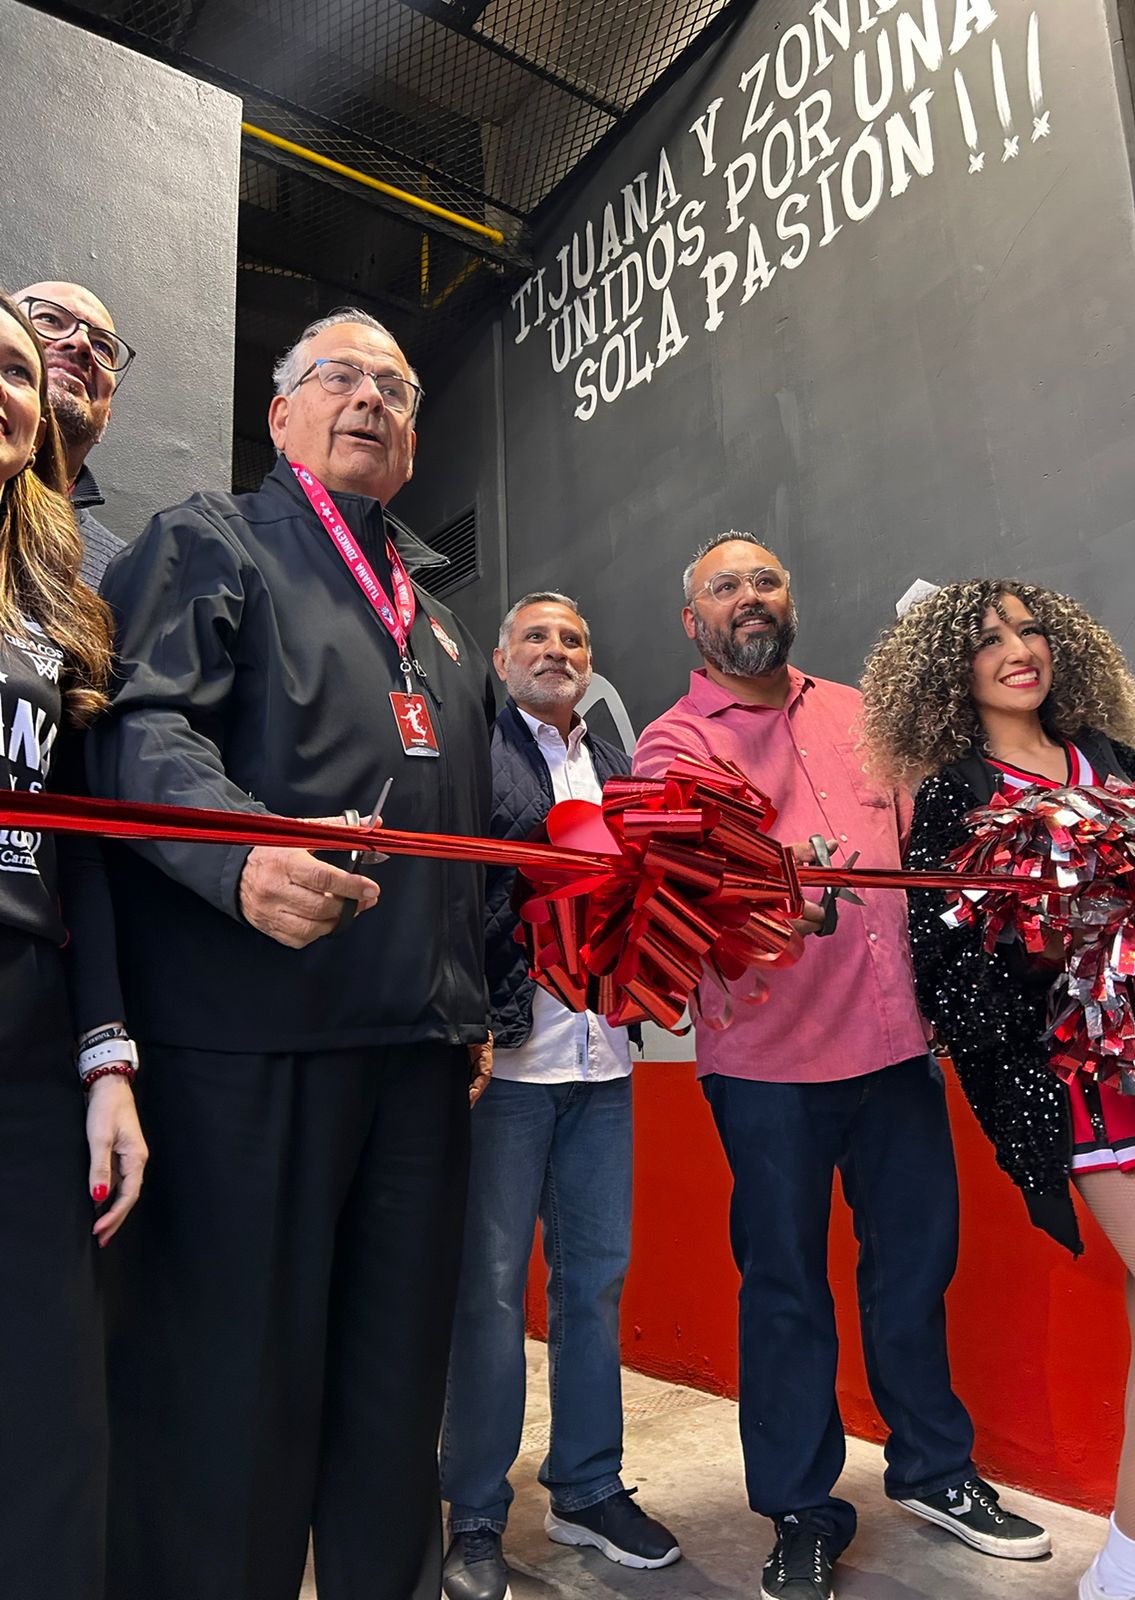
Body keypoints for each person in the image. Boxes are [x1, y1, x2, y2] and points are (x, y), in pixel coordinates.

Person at [87, 307, 494, 1600]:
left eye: (393, 385)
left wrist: (478, 993)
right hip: (250, 1053)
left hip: (421, 1061)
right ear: (279, 416)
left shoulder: (439, 625)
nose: (368, 397)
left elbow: (483, 831)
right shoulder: (204, 544)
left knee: (392, 1421)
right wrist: (243, 852)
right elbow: (137, 735)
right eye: (336, 377)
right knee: (232, 1417)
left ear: (416, 442)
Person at [633, 534, 1048, 1600]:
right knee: (784, 1291)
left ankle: (933, 1469)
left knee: (914, 1266)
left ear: (791, 600)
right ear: (696, 623)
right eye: (724, 586)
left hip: (897, 1041)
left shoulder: (864, 709)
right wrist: (770, 900)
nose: (749, 597)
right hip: (767, 1060)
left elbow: (938, 834)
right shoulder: (673, 743)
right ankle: (801, 1507)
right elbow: (678, 892)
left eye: (765, 579)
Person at [861, 579, 1135, 1600]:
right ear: (949, 670)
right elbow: (950, 971)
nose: (1018, 647)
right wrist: (1061, 943)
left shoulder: (1118, 761)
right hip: (1086, 1084)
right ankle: (1130, 1572)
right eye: (989, 636)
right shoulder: (958, 795)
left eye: (1031, 627)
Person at [440, 591, 680, 1600]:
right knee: (490, 1299)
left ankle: (585, 1485)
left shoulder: (617, 766)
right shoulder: (472, 754)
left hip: (603, 1067)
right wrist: (465, 1028)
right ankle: (478, 1514)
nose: (556, 649)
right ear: (500, 658)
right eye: (535, 636)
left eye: (574, 637)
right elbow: (454, 893)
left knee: (595, 1285)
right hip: (510, 1068)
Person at [0, 289, 146, 1600]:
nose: (11, 386)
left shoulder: (58, 605)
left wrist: (106, 1057)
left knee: (53, 1409)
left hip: (32, 1026)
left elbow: (83, 843)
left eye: (14, 373)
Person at [14, 280, 134, 587]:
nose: (80, 344)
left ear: (106, 418)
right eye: (50, 320)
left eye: (102, 346)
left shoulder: (122, 577)